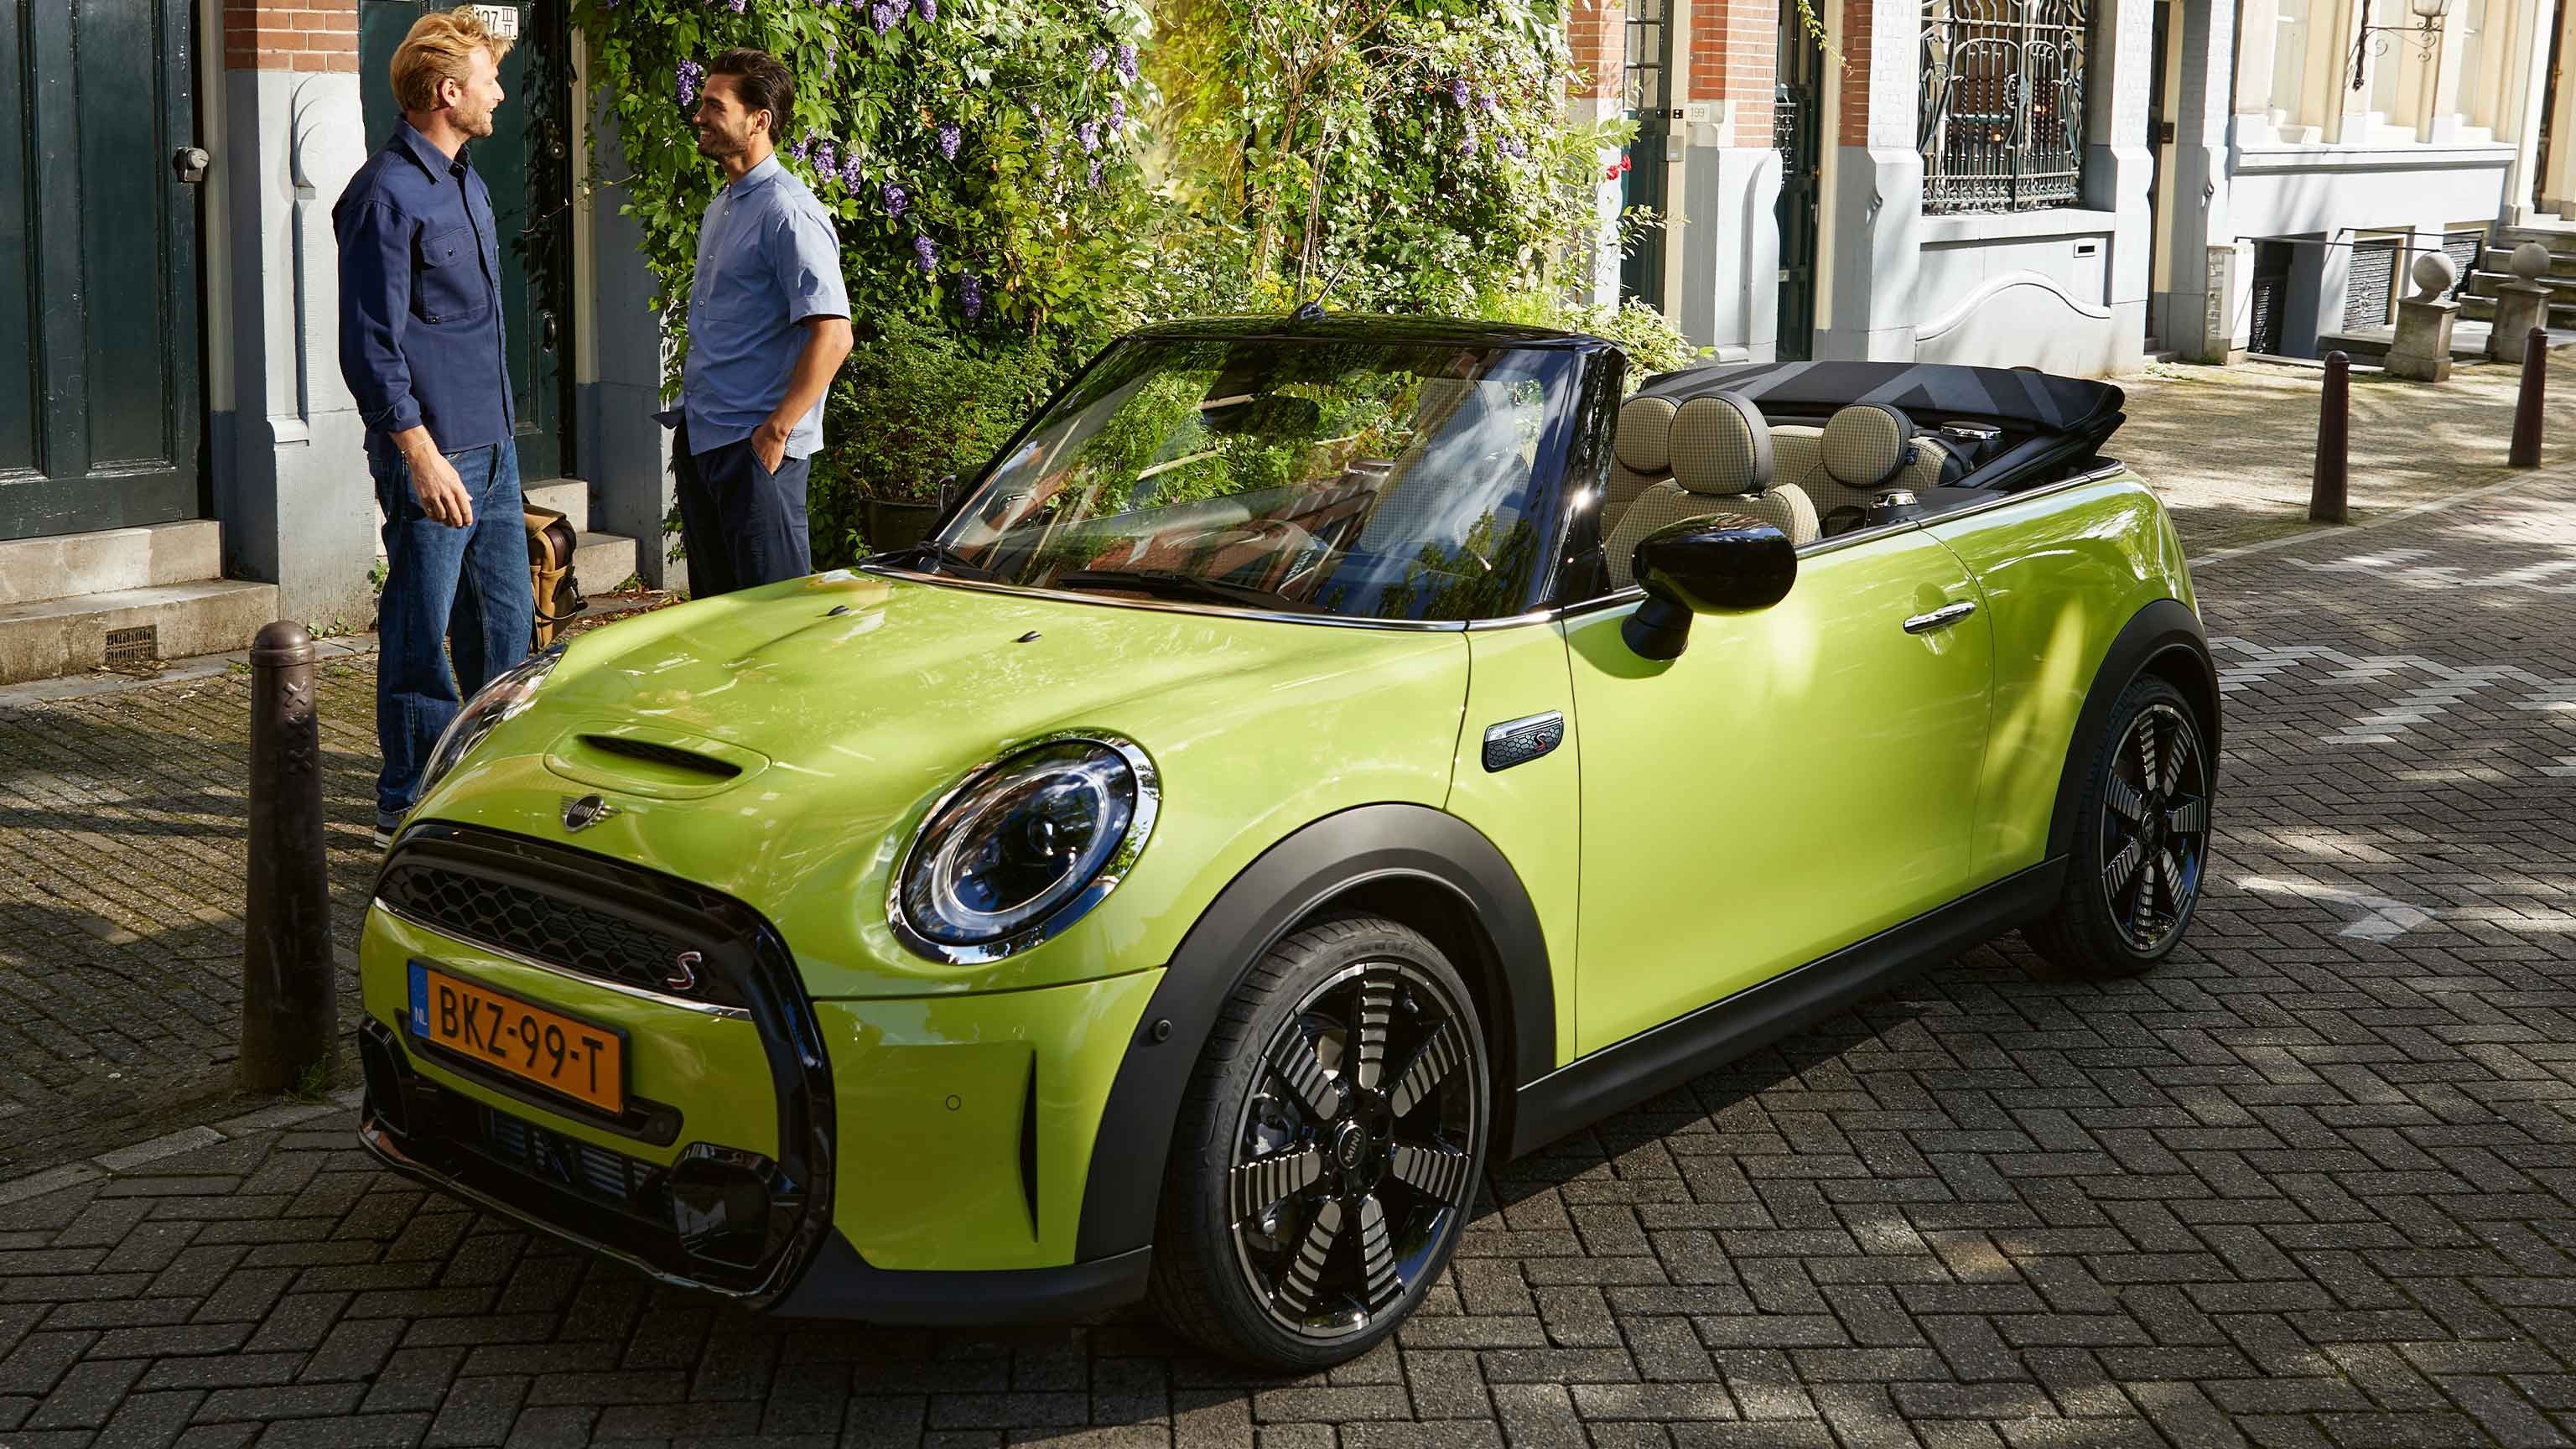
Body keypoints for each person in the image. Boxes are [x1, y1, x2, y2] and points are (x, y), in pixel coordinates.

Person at [333, 5, 530, 848]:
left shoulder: (465, 181)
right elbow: (368, 344)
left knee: (508, 630)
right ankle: (405, 803)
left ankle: (487, 786)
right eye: (489, 79)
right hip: (434, 454)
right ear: (449, 93)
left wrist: (502, 449)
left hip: (495, 448)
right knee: (420, 634)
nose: (500, 93)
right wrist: (416, 452)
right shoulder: (383, 195)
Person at [668, 48, 854, 595]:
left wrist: (776, 433)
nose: (699, 115)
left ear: (759, 120)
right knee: (717, 615)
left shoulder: (788, 212)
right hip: (706, 439)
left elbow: (834, 334)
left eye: (715, 105)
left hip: (757, 451)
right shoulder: (723, 206)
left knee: (773, 617)